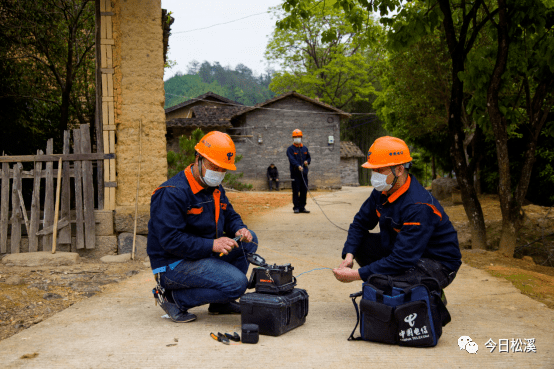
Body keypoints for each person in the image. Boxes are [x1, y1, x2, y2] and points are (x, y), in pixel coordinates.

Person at [147, 131, 258, 323]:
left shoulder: (213, 187)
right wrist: (212, 245)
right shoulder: (172, 193)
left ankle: (220, 303)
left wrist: (239, 228)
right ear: (199, 159)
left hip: (200, 254)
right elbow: (170, 240)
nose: (219, 174)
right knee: (238, 284)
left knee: (249, 241)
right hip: (173, 264)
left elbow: (229, 214)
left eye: (224, 169)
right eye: (215, 167)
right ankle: (174, 299)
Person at [332, 136, 461, 293]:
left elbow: (403, 259)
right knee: (361, 245)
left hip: (437, 263)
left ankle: (430, 293)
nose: (375, 175)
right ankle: (392, 286)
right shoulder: (383, 191)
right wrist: (349, 256)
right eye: (373, 169)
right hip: (404, 251)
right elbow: (360, 223)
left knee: (390, 280)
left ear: (399, 169)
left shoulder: (418, 206)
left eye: (380, 170)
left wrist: (356, 275)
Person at [287, 129, 311, 213]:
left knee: (304, 191)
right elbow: (292, 159)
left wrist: (306, 162)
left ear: (301, 137)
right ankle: (296, 207)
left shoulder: (304, 148)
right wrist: (298, 166)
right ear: (293, 138)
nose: (297, 138)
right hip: (295, 174)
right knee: (296, 191)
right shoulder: (290, 149)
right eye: (295, 137)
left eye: (299, 137)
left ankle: (302, 207)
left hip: (304, 174)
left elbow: (309, 157)